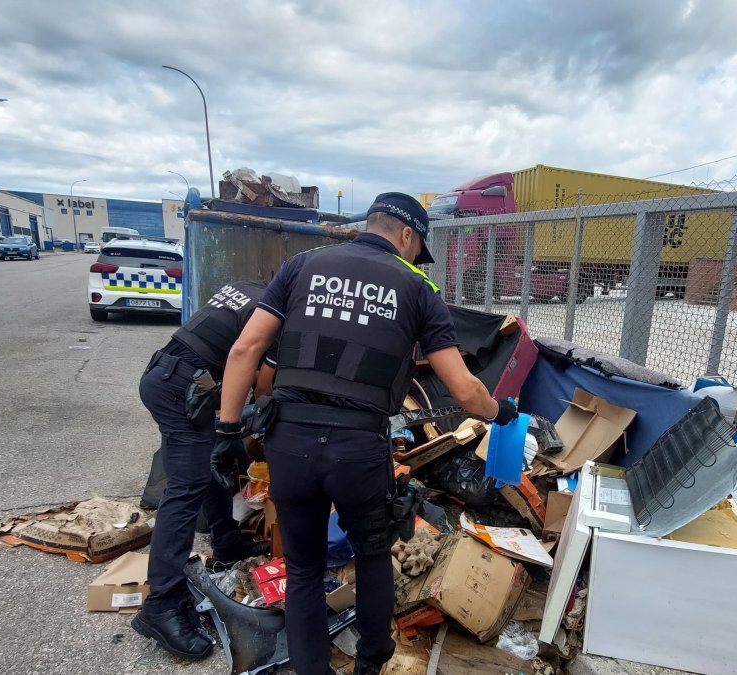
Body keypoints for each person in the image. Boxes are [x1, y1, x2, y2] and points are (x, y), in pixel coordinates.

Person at [213, 193, 518, 675]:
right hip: (358, 449)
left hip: (289, 441)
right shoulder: (418, 288)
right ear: (406, 235)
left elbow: (245, 348)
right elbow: (464, 390)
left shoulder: (299, 266)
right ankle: (370, 665)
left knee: (305, 566)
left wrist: (227, 430)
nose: (416, 258)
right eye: (418, 249)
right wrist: (500, 411)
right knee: (372, 553)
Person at [131, 279, 276, 661]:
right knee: (185, 488)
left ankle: (228, 545)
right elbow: (262, 385)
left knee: (213, 465)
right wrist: (260, 423)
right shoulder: (278, 310)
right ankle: (162, 604)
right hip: (181, 389)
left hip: (172, 375)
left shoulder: (250, 288)